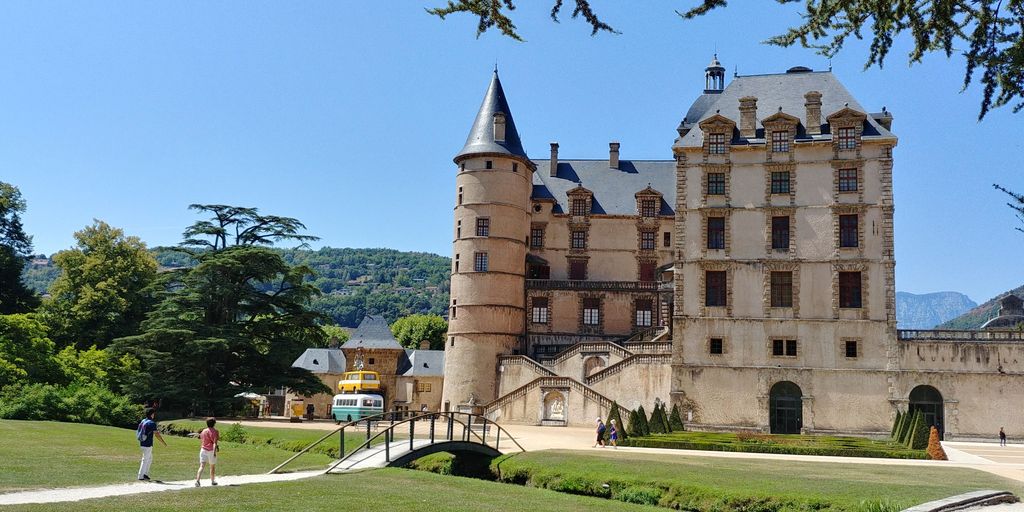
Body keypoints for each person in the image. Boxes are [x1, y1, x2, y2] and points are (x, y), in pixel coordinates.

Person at [137, 408, 166, 481]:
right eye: (153, 413)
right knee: (145, 459)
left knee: (149, 458)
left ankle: (145, 474)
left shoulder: (143, 421)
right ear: (152, 414)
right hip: (147, 444)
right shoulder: (152, 423)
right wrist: (163, 442)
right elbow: (157, 434)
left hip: (142, 442)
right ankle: (141, 476)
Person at [195, 417, 220, 487]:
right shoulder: (215, 431)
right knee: (212, 466)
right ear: (214, 424)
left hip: (203, 450)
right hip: (211, 450)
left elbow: (201, 439)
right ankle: (212, 481)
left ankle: (197, 481)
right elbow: (215, 443)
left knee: (201, 466)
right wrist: (214, 452)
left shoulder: (203, 431)